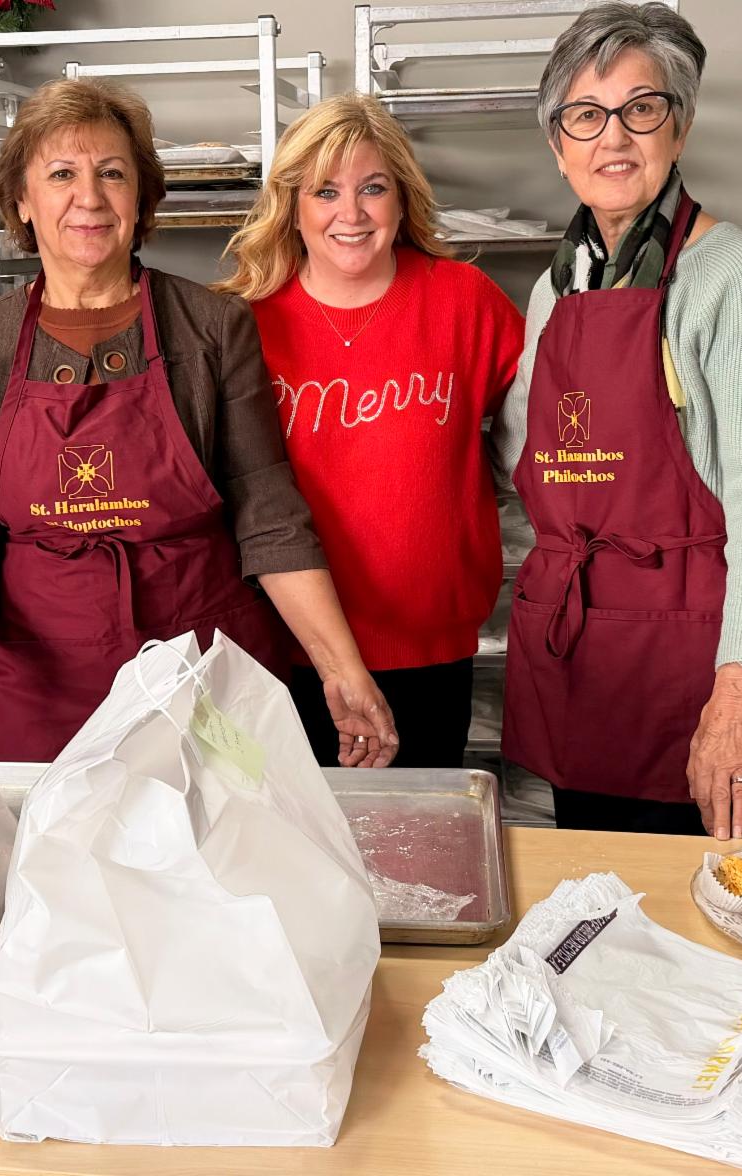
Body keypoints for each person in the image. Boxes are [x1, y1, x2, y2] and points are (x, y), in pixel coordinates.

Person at [0, 77, 397, 766]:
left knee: (221, 829)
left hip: (202, 674)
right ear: (21, 200)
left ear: (143, 196)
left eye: (113, 173)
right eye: (62, 174)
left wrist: (340, 669)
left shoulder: (212, 327)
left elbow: (268, 517)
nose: (90, 197)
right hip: (42, 690)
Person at [490, 2, 742, 837]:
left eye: (640, 109)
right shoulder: (554, 290)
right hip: (580, 657)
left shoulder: (735, 274)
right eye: (585, 115)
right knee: (589, 895)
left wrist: (739, 693)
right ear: (558, 145)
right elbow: (524, 455)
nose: (613, 138)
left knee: (702, 901)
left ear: (678, 128)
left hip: (693, 661)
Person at [217, 94, 524, 769]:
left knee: (418, 831)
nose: (351, 213)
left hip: (433, 651)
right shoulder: (241, 324)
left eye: (373, 188)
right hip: (284, 649)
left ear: (403, 199)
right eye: (325, 191)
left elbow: (549, 431)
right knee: (296, 830)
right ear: (291, 206)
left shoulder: (464, 301)